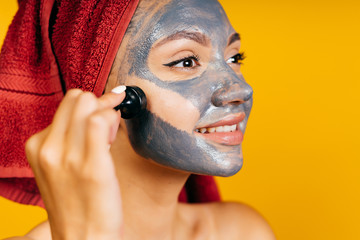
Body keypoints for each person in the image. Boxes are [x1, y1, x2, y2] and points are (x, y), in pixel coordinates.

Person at [2, 0, 275, 239]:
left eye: (234, 57)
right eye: (186, 61)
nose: (241, 89)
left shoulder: (242, 231)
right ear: (107, 96)